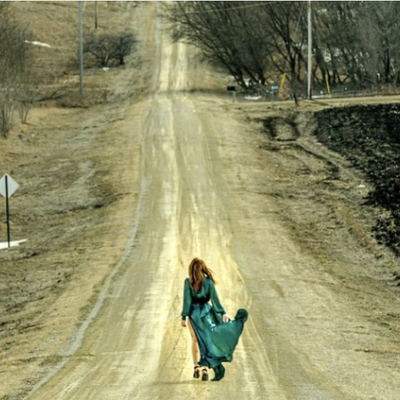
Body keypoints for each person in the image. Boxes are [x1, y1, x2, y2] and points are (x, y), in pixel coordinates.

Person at [181, 257, 248, 381]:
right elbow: (215, 300)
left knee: (195, 339)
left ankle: (196, 366)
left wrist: (184, 317)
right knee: (207, 340)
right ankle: (205, 368)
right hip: (206, 314)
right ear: (203, 269)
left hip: (193, 314)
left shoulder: (188, 282)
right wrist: (223, 312)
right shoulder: (208, 282)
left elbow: (187, 301)